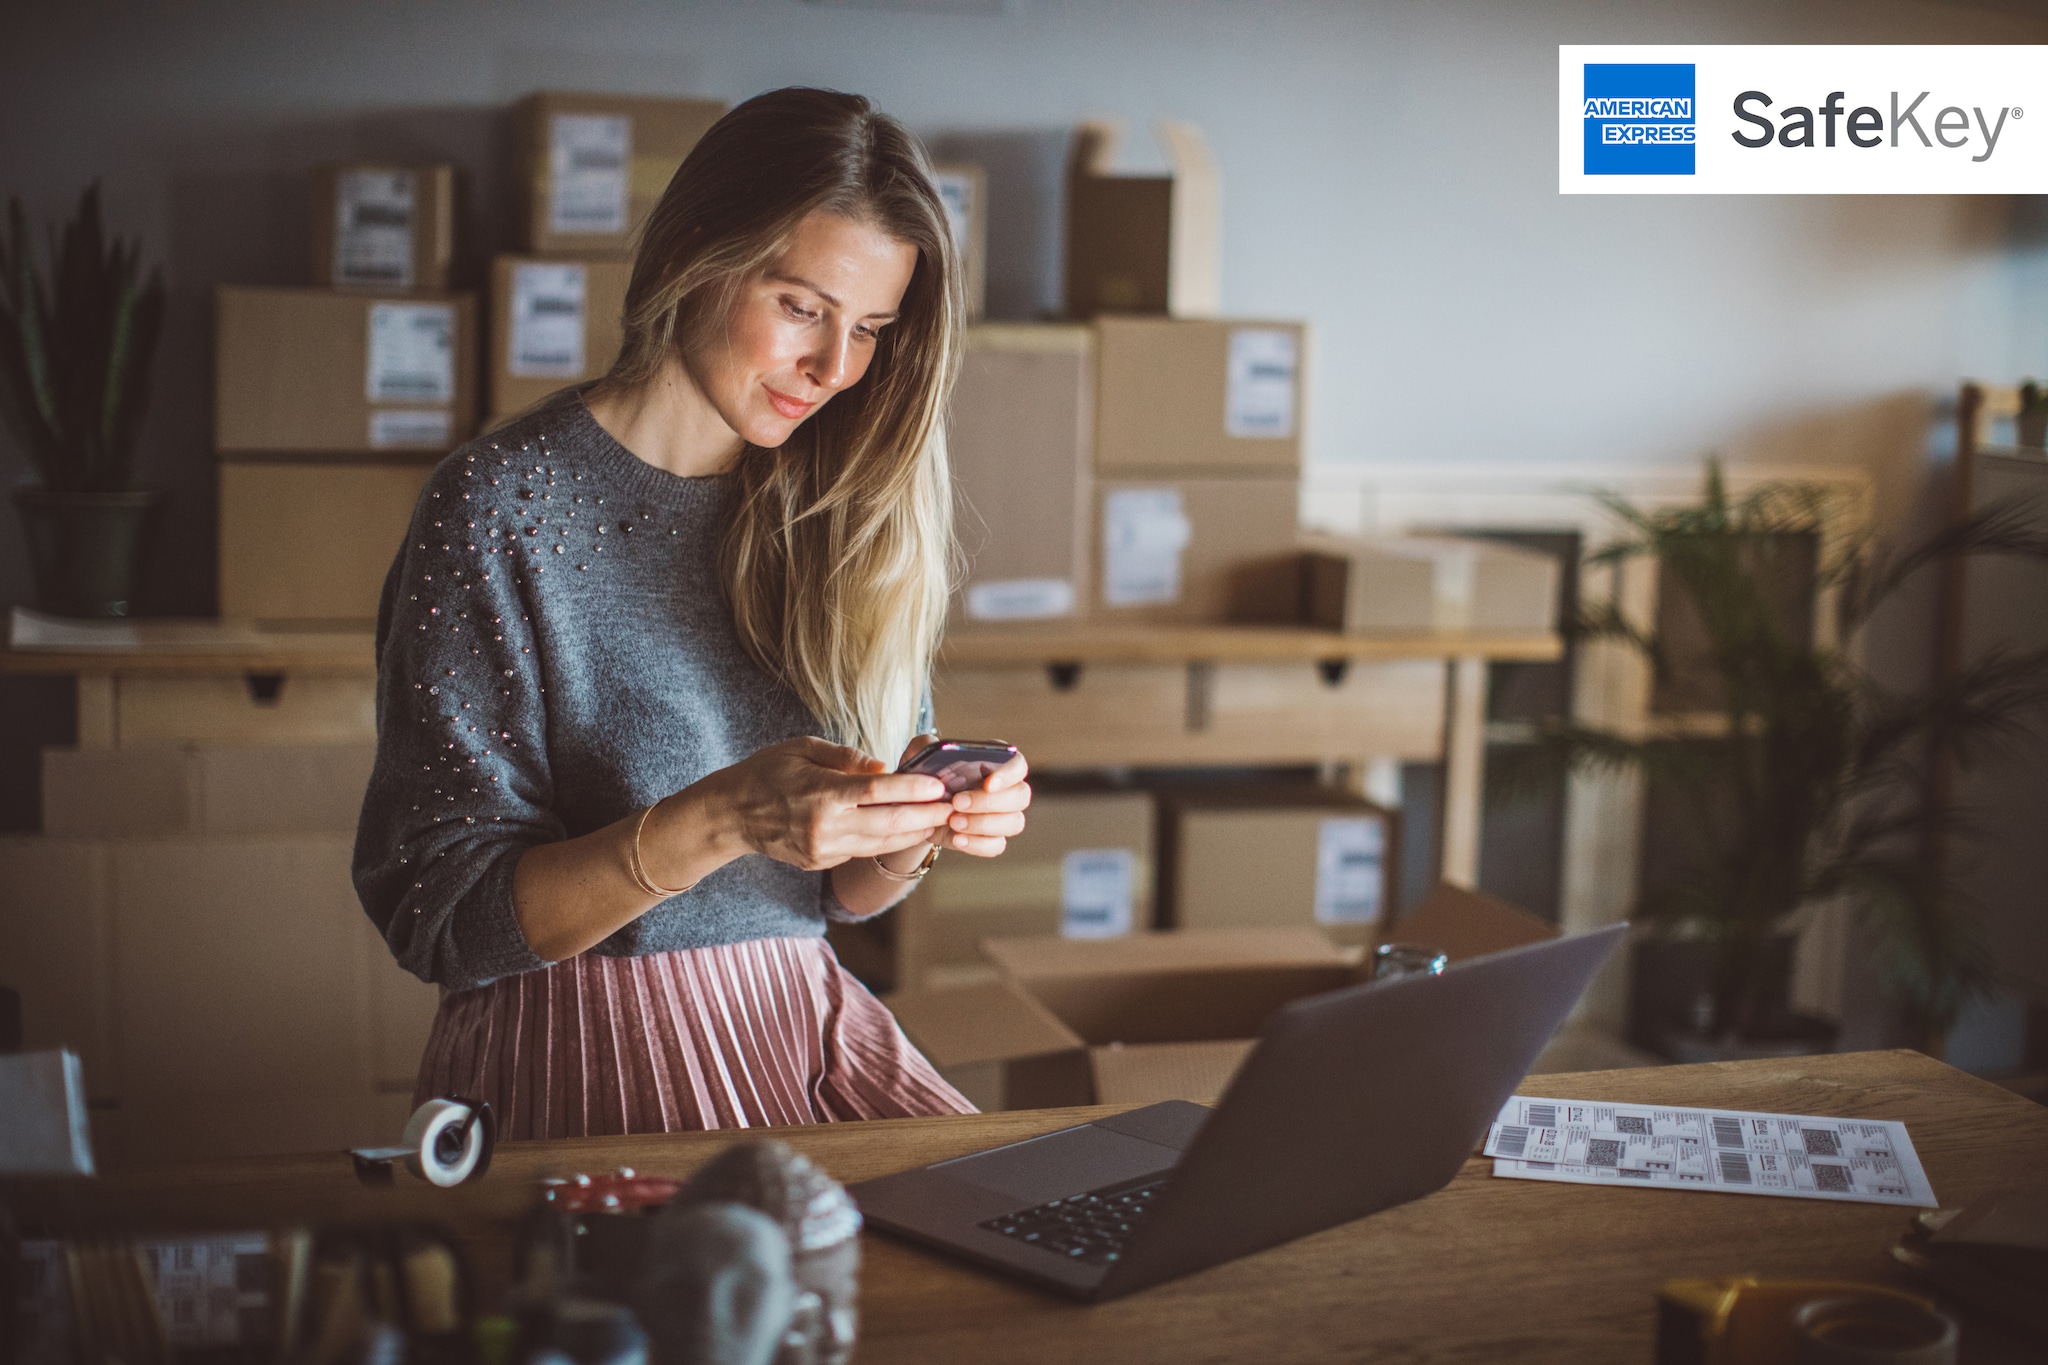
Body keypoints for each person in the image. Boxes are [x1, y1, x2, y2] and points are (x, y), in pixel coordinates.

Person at [352, 87, 1030, 1139]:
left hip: (800, 1017)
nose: (834, 370)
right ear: (696, 253)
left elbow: (835, 894)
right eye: (801, 307)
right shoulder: (501, 509)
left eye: (870, 330)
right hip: (580, 1043)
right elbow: (440, 918)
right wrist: (719, 818)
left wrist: (916, 828)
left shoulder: (838, 507)